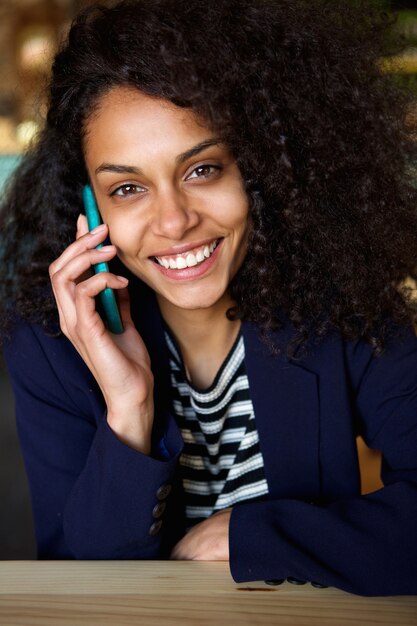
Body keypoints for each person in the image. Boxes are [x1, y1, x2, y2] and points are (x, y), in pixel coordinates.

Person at [1, 0, 417, 596]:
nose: (173, 222)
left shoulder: (346, 302)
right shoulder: (49, 344)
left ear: (260, 168)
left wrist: (254, 537)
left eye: (202, 171)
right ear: (91, 211)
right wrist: (129, 411)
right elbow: (76, 578)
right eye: (127, 188)